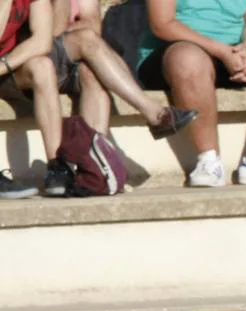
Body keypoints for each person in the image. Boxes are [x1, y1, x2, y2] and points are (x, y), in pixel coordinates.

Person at [0, 0, 196, 196]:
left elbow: (46, 39)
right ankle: (152, 116)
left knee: (88, 66)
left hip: (23, 60)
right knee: (49, 63)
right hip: (15, 67)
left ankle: (82, 167)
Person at [138, 0, 246, 187]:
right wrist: (221, 51)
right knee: (189, 60)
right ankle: (208, 161)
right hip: (176, 50)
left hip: (234, 49)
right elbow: (162, 24)